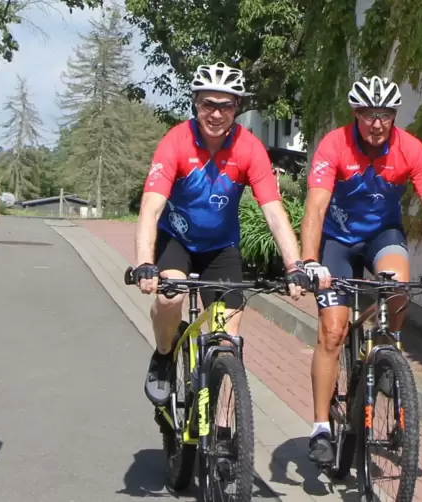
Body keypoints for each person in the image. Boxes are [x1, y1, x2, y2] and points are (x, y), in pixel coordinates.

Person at [299, 75, 422, 466]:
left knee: (397, 286)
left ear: (394, 116)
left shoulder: (410, 149)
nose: (377, 123)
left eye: (386, 115)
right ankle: (321, 426)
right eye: (369, 114)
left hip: (383, 234)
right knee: (332, 330)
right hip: (337, 241)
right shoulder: (334, 145)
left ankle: (390, 351)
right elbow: (316, 206)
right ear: (356, 114)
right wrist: (310, 260)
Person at [129, 61, 310, 407]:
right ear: (195, 103)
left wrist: (294, 265)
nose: (215, 113)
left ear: (236, 108)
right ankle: (164, 355)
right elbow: (151, 207)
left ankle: (223, 428)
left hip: (221, 247)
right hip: (177, 239)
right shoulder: (176, 142)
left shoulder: (249, 148)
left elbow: (273, 210)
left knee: (227, 342)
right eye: (207, 104)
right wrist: (144, 263)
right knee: (170, 298)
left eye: (225, 105)